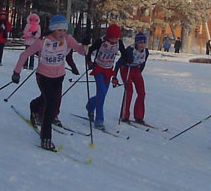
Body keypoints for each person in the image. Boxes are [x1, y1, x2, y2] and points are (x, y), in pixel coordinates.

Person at [11, 14, 84, 151]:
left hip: (59, 76)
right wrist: (16, 72)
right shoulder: (42, 41)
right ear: (52, 30)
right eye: (59, 30)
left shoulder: (68, 39)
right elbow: (24, 55)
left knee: (48, 99)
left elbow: (81, 51)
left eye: (64, 30)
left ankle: (34, 105)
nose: (62, 33)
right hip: (44, 76)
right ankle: (46, 138)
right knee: (50, 104)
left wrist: (85, 46)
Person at [85, 24, 126, 129]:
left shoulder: (119, 43)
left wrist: (129, 59)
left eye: (116, 38)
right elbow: (89, 51)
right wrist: (89, 62)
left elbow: (124, 54)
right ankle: (99, 120)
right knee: (101, 93)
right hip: (98, 68)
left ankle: (90, 106)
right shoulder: (101, 41)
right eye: (112, 38)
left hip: (108, 70)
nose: (114, 40)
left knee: (102, 94)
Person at [114, 32, 149, 124]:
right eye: (140, 43)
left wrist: (138, 73)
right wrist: (114, 76)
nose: (142, 45)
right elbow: (118, 63)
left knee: (142, 92)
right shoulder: (130, 50)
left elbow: (143, 64)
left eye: (144, 43)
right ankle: (124, 115)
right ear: (136, 42)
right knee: (129, 91)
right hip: (126, 69)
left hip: (136, 70)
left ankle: (139, 116)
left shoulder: (146, 52)